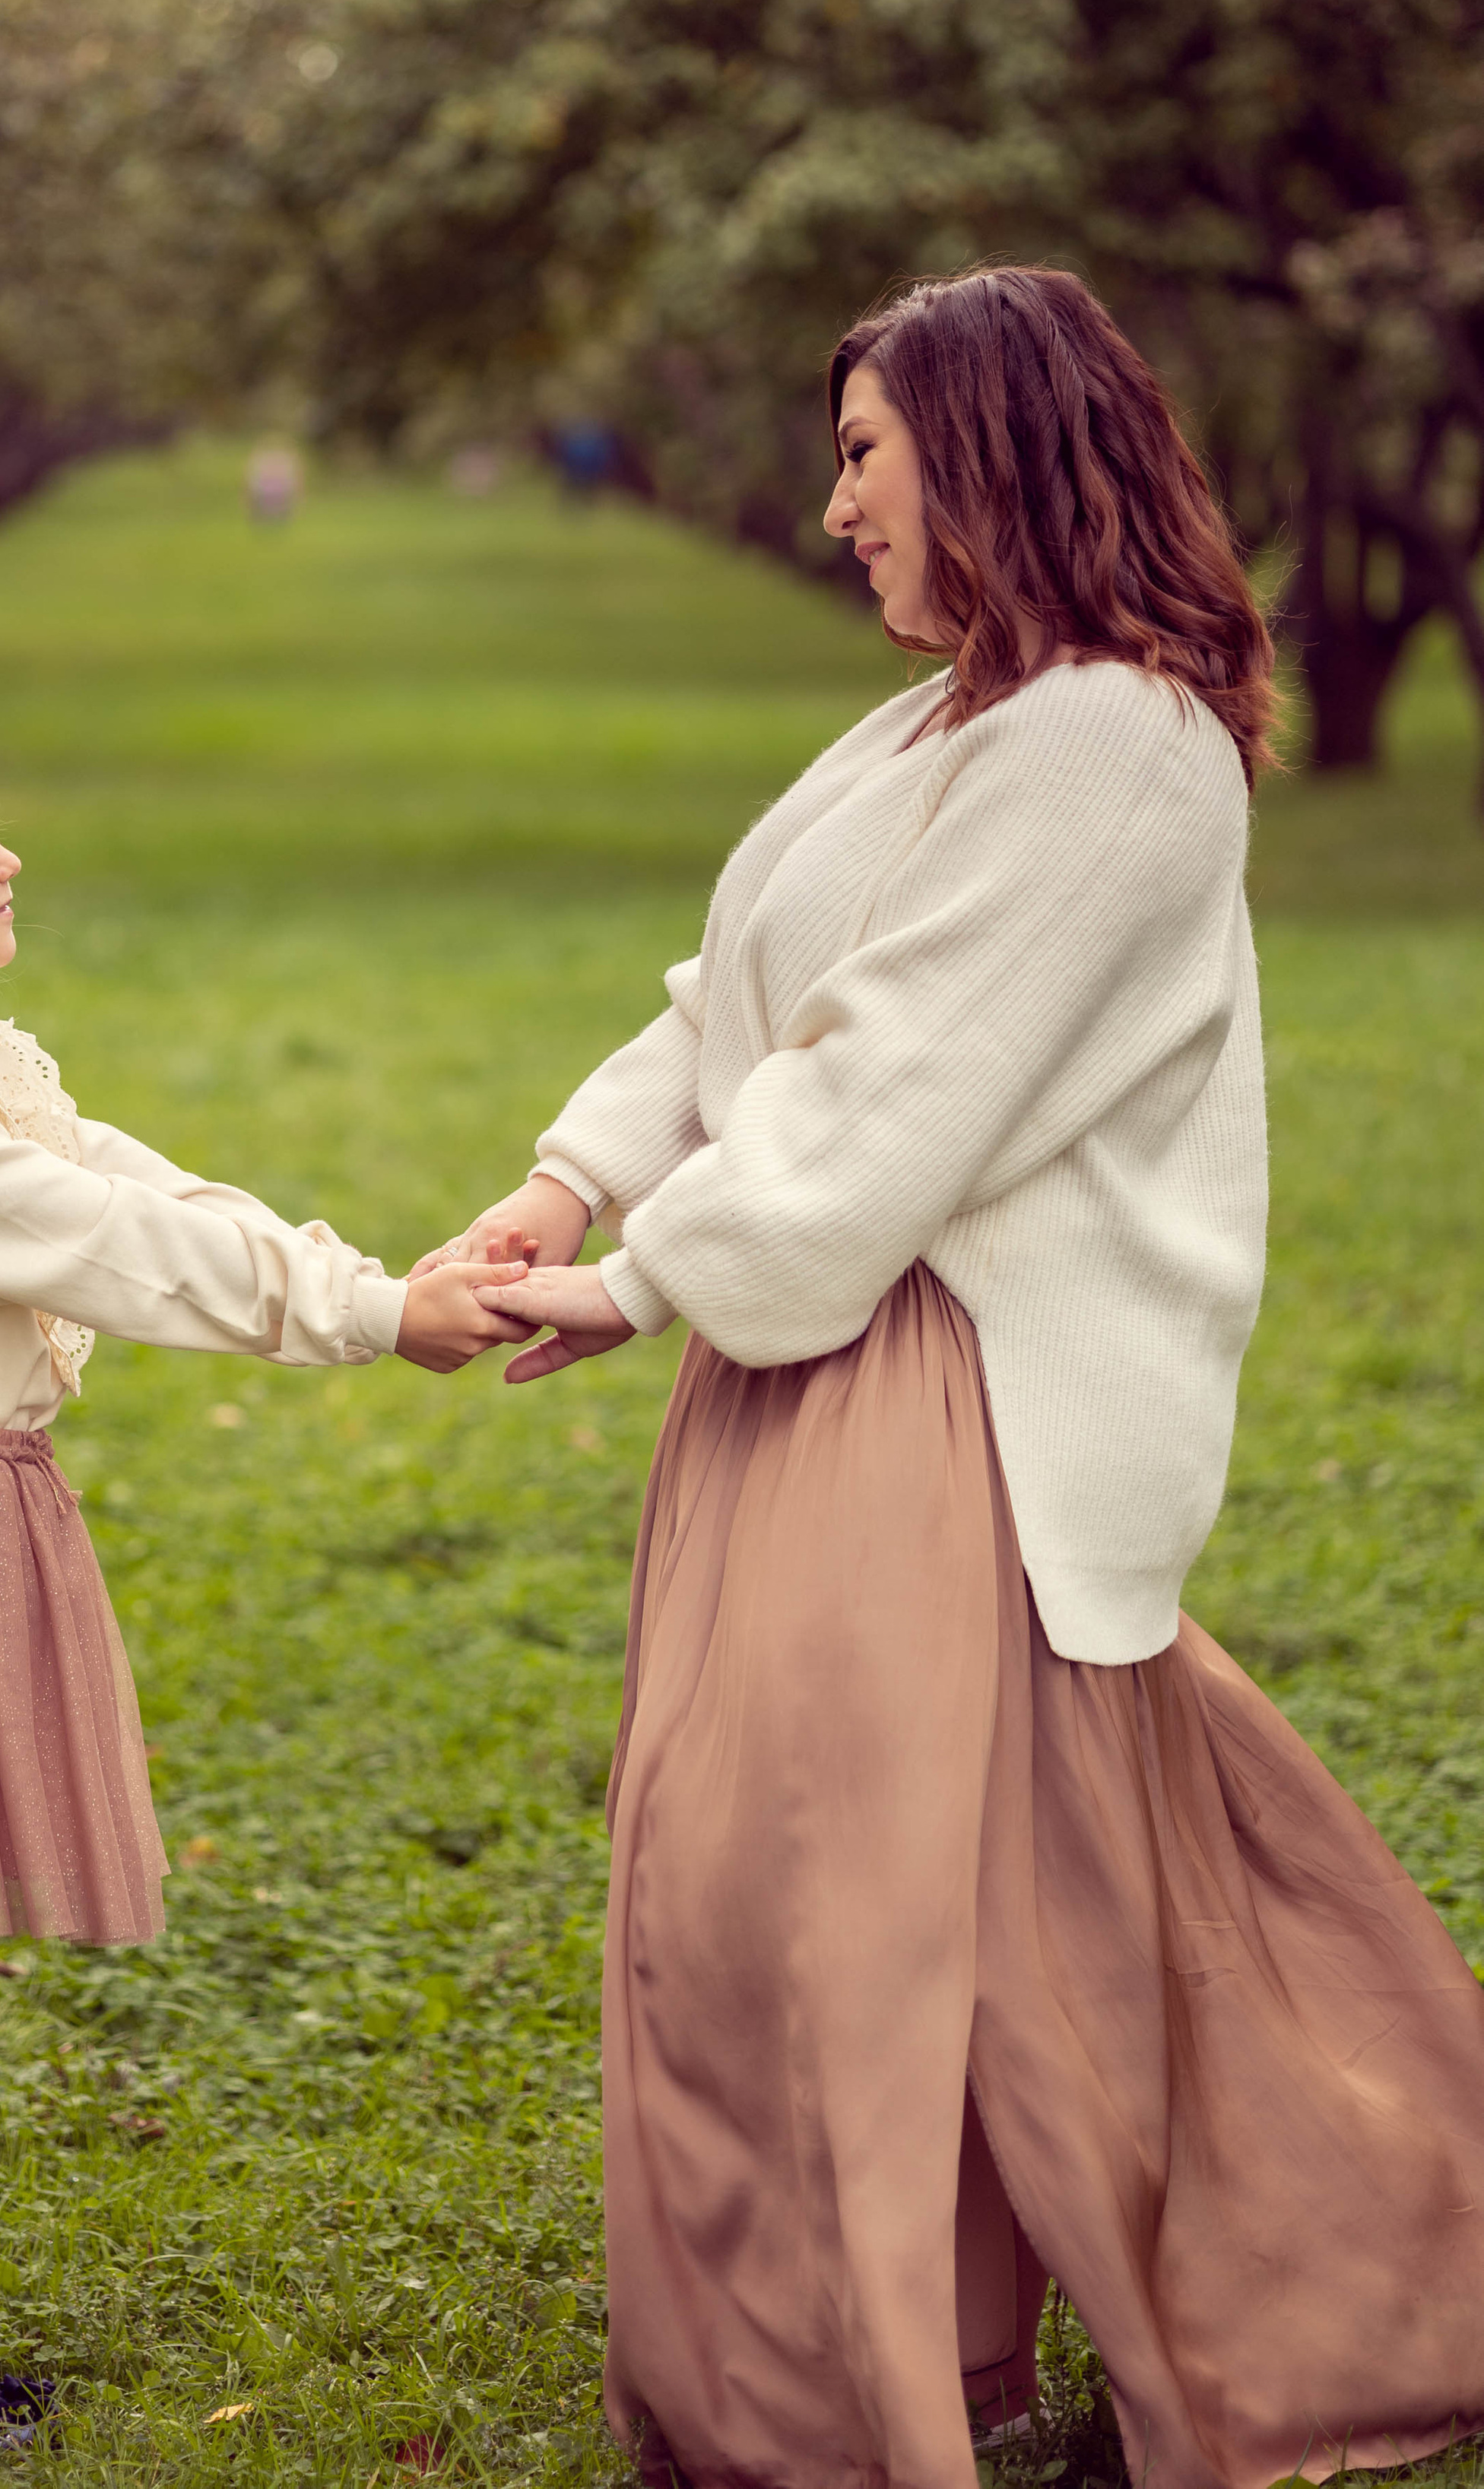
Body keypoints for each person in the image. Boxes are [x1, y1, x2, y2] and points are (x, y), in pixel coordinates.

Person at [428, 266, 1484, 2489]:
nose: (835, 510)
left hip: (940, 1385)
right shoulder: (943, 729)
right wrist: (564, 1183)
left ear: (992, 453)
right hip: (818, 1365)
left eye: (862, 458)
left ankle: (1032, 2355)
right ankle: (926, 2371)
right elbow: (749, 998)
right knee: (908, 1889)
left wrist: (641, 1288)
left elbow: (902, 1085)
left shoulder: (1116, 743)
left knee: (854, 1900)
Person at [0, 704, 525, 2448]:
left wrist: (355, 1277)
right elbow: (111, 1247)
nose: (9, 859)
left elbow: (140, 1184)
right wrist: (369, 1319)